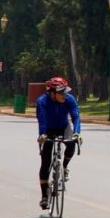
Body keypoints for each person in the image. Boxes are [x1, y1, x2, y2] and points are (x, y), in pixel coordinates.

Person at [36, 77, 81, 210]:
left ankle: (64, 166)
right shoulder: (42, 101)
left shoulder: (69, 99)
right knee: (45, 162)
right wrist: (42, 135)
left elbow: (76, 116)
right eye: (61, 93)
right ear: (52, 93)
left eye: (65, 92)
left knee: (72, 143)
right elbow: (42, 119)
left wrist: (77, 133)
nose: (64, 95)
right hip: (48, 130)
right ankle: (44, 196)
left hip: (63, 127)